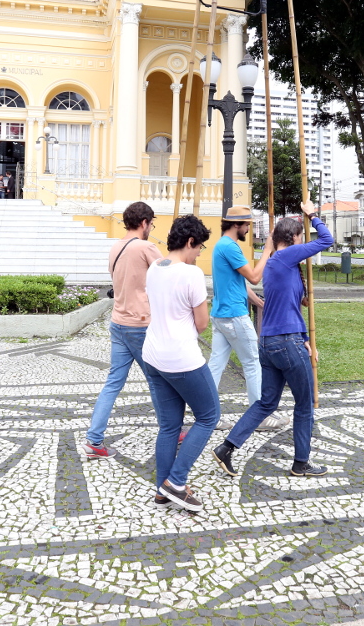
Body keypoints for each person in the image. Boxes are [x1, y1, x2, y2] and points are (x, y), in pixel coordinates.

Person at [213, 200, 333, 478]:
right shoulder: (287, 256)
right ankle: (301, 462)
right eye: (301, 237)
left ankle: (226, 448)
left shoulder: (273, 264)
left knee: (266, 403)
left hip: (269, 341)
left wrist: (305, 338)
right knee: (304, 404)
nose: (304, 242)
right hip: (286, 342)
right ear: (291, 239)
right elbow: (327, 239)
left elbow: (286, 307)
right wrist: (312, 215)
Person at [141, 215, 216, 512]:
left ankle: (162, 489)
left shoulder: (154, 268)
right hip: (181, 358)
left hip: (153, 355)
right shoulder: (191, 274)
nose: (199, 253)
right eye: (199, 247)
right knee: (209, 416)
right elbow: (202, 324)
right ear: (189, 242)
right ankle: (176, 482)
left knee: (169, 425)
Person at [80, 201, 162, 460]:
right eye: (151, 224)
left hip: (118, 322)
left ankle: (94, 440)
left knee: (113, 383)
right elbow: (170, 276)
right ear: (144, 222)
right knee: (157, 380)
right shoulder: (146, 247)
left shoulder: (115, 247)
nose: (151, 228)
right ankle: (172, 429)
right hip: (140, 324)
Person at [209, 207, 289, 431]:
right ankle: (260, 416)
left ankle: (207, 414)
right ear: (237, 225)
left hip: (220, 314)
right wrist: (267, 251)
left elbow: (239, 283)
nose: (248, 229)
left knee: (216, 365)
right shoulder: (230, 247)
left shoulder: (220, 246)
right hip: (234, 315)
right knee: (253, 363)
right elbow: (254, 277)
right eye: (247, 225)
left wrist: (258, 302)